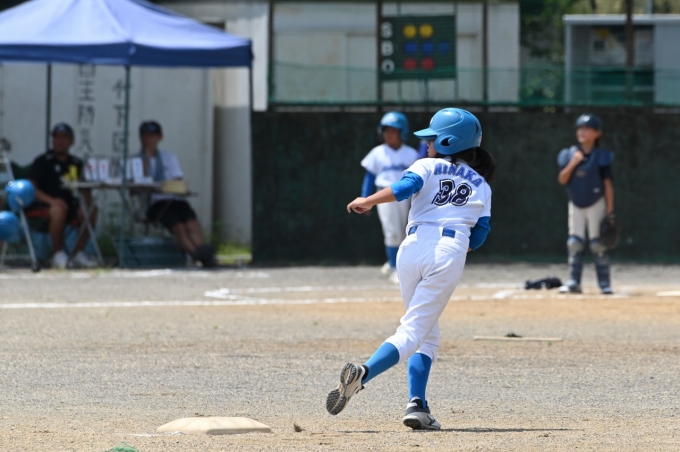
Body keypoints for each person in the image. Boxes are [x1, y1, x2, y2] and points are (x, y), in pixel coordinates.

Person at [327, 108, 495, 430]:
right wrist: (458, 250)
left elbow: (405, 188)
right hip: (448, 251)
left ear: (448, 142)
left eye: (431, 138)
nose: (427, 143)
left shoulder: (426, 165)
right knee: (413, 332)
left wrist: (368, 200)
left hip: (411, 248)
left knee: (426, 335)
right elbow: (481, 233)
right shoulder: (483, 185)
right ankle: (364, 373)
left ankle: (417, 405)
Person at [138, 121, 216, 267]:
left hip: (174, 198)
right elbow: (138, 183)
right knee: (179, 227)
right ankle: (196, 254)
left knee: (191, 224)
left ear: (159, 137)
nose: (147, 139)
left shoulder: (169, 157)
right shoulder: (136, 160)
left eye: (151, 136)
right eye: (144, 135)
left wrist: (169, 186)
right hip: (156, 203)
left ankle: (203, 251)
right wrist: (146, 160)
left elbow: (178, 180)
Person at [557, 114, 614, 295]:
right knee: (575, 243)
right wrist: (573, 162)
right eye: (580, 129)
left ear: (597, 133)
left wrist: (610, 210)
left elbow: (607, 185)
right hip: (576, 204)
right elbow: (562, 179)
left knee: (598, 244)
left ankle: (604, 284)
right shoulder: (569, 154)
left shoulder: (601, 156)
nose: (582, 132)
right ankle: (574, 282)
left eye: (587, 129)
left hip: (596, 203)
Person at [27, 123, 97, 269]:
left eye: (64, 138)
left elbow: (86, 191)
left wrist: (85, 205)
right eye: (57, 137)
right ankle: (58, 253)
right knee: (58, 210)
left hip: (70, 204)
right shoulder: (43, 161)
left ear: (71, 141)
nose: (60, 141)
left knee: (92, 209)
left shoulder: (76, 163)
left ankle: (78, 252)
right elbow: (31, 188)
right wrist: (52, 201)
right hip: (45, 206)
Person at [360, 112, 419, 284]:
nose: (388, 134)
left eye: (393, 131)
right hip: (384, 196)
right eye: (386, 131)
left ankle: (399, 262)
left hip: (408, 197)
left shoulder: (411, 154)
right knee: (392, 232)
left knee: (407, 231)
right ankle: (394, 267)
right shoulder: (377, 152)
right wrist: (366, 198)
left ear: (402, 132)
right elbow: (369, 177)